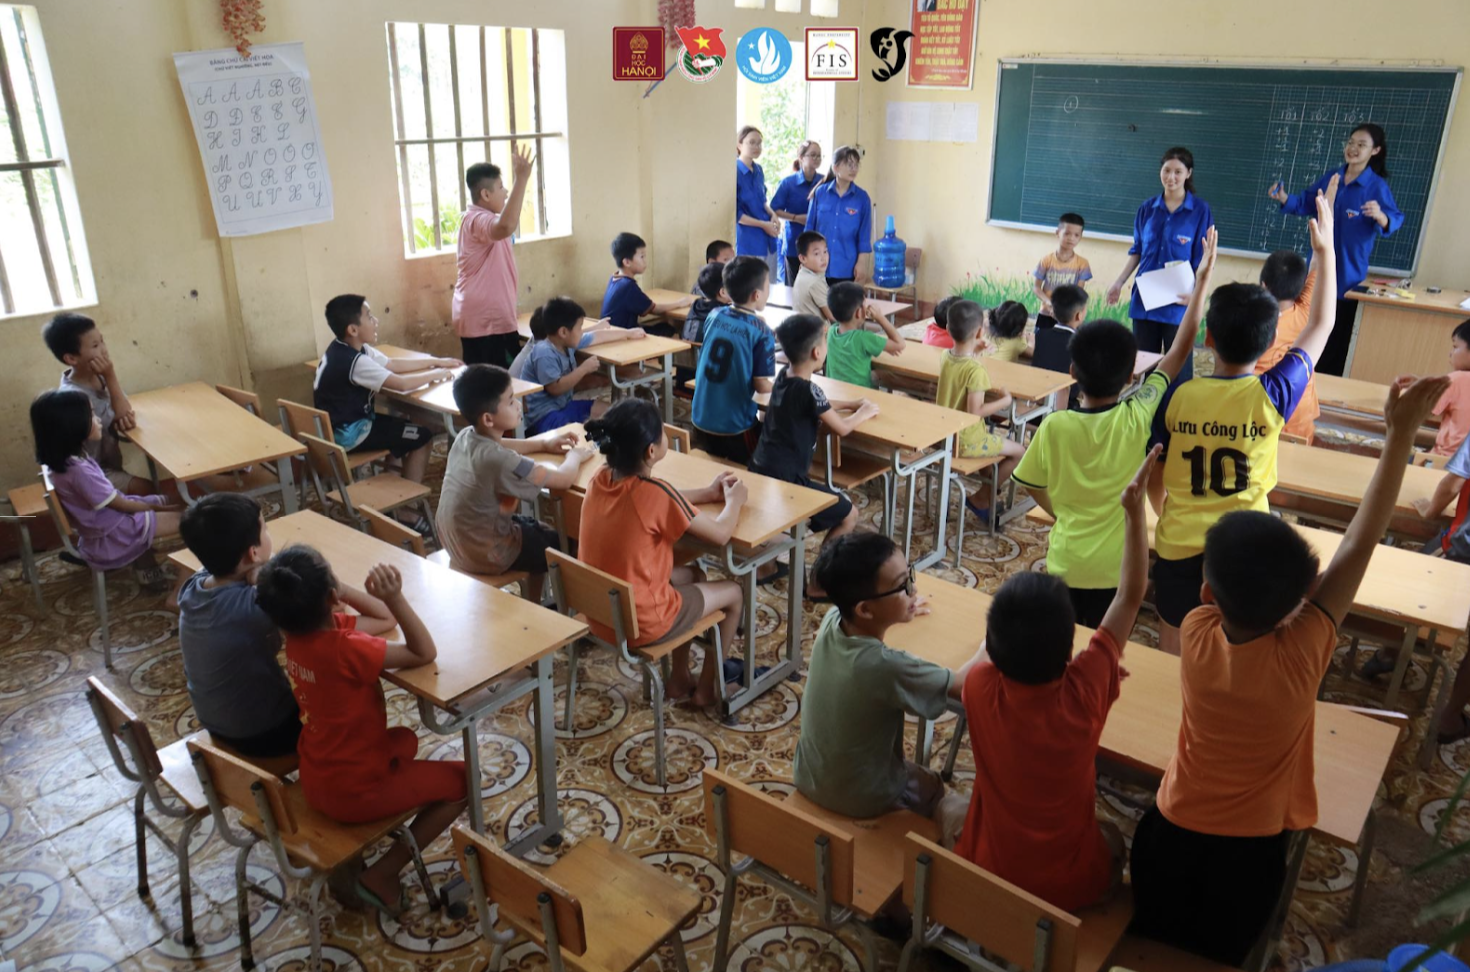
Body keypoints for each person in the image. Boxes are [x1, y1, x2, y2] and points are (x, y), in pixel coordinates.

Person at [1130, 375, 1449, 966]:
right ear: (1299, 603)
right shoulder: (1304, 651)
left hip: (1167, 834)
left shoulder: (1195, 632)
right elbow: (1359, 543)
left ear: (1207, 592)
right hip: (1248, 858)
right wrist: (1400, 437)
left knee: (1154, 948)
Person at [956, 444, 1157, 911]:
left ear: (995, 647)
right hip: (1069, 889)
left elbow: (985, 657)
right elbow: (1130, 596)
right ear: (1070, 650)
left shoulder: (979, 687)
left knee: (950, 807)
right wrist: (1133, 513)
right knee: (1114, 839)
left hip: (986, 869)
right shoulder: (1086, 689)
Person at [1148, 197, 1337, 656]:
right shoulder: (1273, 395)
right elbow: (1322, 323)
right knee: (1240, 654)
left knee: (1174, 651)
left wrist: (1166, 514)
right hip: (1246, 550)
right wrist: (1325, 252)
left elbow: (1155, 477)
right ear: (1271, 342)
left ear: (1209, 337)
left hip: (1178, 545)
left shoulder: (1177, 396)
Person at [255, 548, 468, 917]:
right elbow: (423, 652)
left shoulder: (297, 636)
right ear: (331, 596)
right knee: (463, 780)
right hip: (355, 791)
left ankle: (367, 834)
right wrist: (394, 596)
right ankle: (383, 873)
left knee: (406, 741)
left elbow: (381, 621)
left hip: (317, 774)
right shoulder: (345, 648)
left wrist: (336, 593)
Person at [1014, 232, 1212, 629]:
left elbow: (1031, 483)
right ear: (1129, 379)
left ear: (1073, 371)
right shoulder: (1138, 414)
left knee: (1063, 646)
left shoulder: (1054, 424)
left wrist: (1061, 511)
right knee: (1104, 648)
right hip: (1118, 569)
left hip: (1066, 561)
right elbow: (1177, 353)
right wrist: (1201, 281)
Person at [793, 532, 979, 844]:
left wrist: (898, 608)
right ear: (865, 609)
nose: (914, 590)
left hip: (809, 775)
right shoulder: (883, 666)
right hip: (862, 797)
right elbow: (961, 684)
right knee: (933, 785)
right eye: (903, 586)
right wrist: (988, 644)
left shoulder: (833, 619)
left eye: (910, 577)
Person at [579, 399, 748, 708]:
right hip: (641, 623)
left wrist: (706, 493)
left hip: (601, 613)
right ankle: (709, 690)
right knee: (734, 592)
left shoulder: (600, 478)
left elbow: (663, 499)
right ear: (651, 451)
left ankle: (679, 678)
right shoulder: (655, 493)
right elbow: (721, 533)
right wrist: (734, 500)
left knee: (694, 574)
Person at [437, 363, 598, 602]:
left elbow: (501, 446)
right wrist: (574, 456)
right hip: (487, 552)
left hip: (458, 541)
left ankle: (535, 602)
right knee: (566, 545)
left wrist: (543, 444)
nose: (519, 405)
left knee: (539, 531)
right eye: (511, 401)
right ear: (488, 419)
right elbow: (563, 480)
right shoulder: (501, 461)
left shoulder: (465, 436)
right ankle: (556, 606)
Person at [749, 315, 880, 593]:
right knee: (848, 514)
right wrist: (863, 412)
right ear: (817, 353)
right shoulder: (810, 390)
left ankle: (767, 566)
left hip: (761, 467)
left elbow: (820, 403)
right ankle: (818, 584)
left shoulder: (784, 376)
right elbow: (842, 428)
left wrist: (851, 403)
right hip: (789, 480)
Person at [1269, 123, 1403, 376]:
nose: (1353, 148)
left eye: (1361, 145)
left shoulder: (1376, 187)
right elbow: (1307, 202)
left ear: (1375, 150)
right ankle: (1301, 380)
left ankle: (1325, 386)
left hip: (1348, 276)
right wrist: (1284, 198)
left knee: (1335, 343)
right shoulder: (1333, 177)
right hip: (1317, 271)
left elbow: (1394, 219)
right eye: (1351, 142)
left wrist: (1381, 216)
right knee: (1306, 334)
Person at [177, 494, 299, 759]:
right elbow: (322, 599)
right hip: (267, 732)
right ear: (252, 553)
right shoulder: (253, 604)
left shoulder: (194, 586)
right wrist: (265, 572)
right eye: (266, 529)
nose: (269, 533)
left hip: (215, 723)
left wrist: (260, 569)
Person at [313, 295, 457, 518]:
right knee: (423, 437)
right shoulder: (356, 361)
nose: (376, 321)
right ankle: (407, 510)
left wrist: (435, 362)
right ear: (353, 329)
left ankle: (392, 499)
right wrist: (437, 374)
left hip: (339, 429)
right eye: (369, 317)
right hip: (350, 435)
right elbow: (401, 384)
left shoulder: (345, 349)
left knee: (400, 430)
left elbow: (391, 365)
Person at [30, 389, 182, 591]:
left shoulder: (65, 462)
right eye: (92, 415)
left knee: (167, 500)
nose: (98, 420)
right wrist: (158, 509)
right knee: (191, 520)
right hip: (115, 533)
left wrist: (159, 505)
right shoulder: (79, 472)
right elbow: (122, 505)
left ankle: (147, 566)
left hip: (103, 525)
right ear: (72, 426)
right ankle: (190, 580)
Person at [1106, 147, 1214, 383]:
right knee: (1143, 365)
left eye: (1178, 172)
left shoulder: (1200, 211)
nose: (1171, 177)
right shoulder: (1147, 208)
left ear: (1188, 173)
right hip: (1146, 298)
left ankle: (1175, 405)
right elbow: (1137, 250)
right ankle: (1144, 405)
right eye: (1166, 170)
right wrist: (1119, 282)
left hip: (1179, 301)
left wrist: (1196, 294)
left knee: (1179, 367)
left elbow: (1204, 259)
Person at [937, 300, 1025, 523]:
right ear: (979, 332)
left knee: (991, 457)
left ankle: (986, 494)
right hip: (967, 440)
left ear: (947, 329)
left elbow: (962, 364)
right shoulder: (976, 370)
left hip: (944, 435)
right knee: (1019, 451)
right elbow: (976, 411)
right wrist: (1005, 401)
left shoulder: (946, 356)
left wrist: (975, 350)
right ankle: (983, 498)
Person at [451, 147, 534, 367]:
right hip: (486, 323)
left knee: (496, 380)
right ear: (485, 195)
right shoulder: (477, 220)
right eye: (501, 187)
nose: (505, 192)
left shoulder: (483, 219)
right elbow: (505, 226)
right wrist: (521, 179)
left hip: (488, 320)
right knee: (498, 382)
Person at [690, 256, 777, 465]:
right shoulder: (762, 332)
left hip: (700, 418)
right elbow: (761, 385)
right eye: (768, 287)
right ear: (756, 295)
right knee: (762, 459)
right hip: (733, 426)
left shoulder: (714, 314)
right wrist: (785, 387)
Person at [1411, 433, 1470, 743]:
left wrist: (1432, 510)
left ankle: (1389, 653)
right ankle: (1449, 719)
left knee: (1408, 591)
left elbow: (1453, 484)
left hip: (1461, 549)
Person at [521, 297, 633, 436]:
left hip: (564, 406)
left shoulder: (565, 342)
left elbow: (597, 336)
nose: (582, 332)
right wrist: (583, 369)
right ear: (563, 332)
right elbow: (555, 388)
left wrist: (629, 333)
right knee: (576, 436)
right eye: (579, 328)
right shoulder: (544, 352)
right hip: (543, 417)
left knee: (614, 413)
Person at [1256, 250, 1323, 445]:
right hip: (1301, 421)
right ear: (1301, 287)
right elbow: (1317, 264)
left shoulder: (1252, 323)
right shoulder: (1308, 313)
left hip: (1262, 421)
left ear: (1263, 285)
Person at [602, 232, 692, 337]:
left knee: (663, 326)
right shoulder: (628, 287)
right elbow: (655, 309)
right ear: (627, 262)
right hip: (622, 338)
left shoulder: (615, 278)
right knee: (669, 329)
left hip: (613, 333)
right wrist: (680, 303)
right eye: (642, 257)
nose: (645, 261)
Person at [805, 146, 873, 285]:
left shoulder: (862, 198)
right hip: (818, 266)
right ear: (835, 168)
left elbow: (864, 235)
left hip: (847, 267)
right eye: (849, 164)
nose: (854, 169)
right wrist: (806, 260)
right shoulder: (820, 193)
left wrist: (861, 262)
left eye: (856, 165)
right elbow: (809, 229)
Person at [824, 282, 902, 389]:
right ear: (859, 312)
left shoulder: (831, 331)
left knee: (876, 374)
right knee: (886, 376)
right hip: (861, 395)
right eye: (865, 304)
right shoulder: (863, 338)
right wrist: (880, 317)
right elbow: (899, 344)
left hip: (835, 392)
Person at [771, 140, 824, 285]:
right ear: (801, 157)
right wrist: (795, 218)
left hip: (818, 243)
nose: (816, 159)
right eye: (813, 155)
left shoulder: (824, 182)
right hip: (794, 242)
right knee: (793, 288)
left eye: (819, 156)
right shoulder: (788, 183)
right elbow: (775, 209)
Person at [734, 126, 780, 275]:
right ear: (739, 144)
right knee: (751, 284)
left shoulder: (758, 170)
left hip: (769, 239)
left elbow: (762, 200)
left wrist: (773, 214)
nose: (757, 147)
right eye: (751, 142)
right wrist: (763, 225)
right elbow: (737, 214)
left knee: (769, 284)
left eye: (759, 143)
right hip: (749, 241)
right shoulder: (734, 171)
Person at [676, 264, 730, 388]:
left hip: (682, 378)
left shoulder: (696, 304)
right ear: (722, 292)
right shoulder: (724, 314)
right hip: (705, 383)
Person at [1032, 213, 1092, 326]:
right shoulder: (1046, 260)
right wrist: (1049, 303)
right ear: (1057, 233)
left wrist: (1064, 310)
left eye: (1076, 235)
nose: (1071, 238)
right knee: (1042, 337)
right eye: (1067, 233)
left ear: (1080, 237)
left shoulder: (1082, 264)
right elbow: (1036, 287)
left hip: (1068, 318)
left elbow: (1078, 293)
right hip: (1047, 313)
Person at [1430, 320, 1470, 457]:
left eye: (1455, 347)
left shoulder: (1456, 379)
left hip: (1446, 460)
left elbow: (1425, 411)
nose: (1450, 353)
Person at [791, 231, 832, 321]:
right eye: (816, 253)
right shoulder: (815, 282)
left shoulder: (802, 272)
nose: (823, 258)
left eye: (825, 251)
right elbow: (833, 316)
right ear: (803, 258)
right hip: (815, 329)